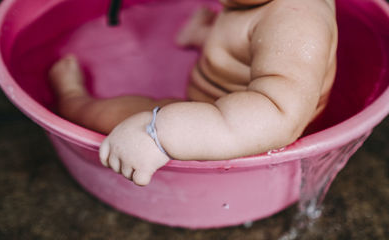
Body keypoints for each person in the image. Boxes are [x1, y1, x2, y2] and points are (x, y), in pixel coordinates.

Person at [49, 0, 338, 186]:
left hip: (242, 130)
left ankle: (73, 100)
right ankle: (202, 36)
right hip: (232, 92)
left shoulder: (297, 24)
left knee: (119, 118)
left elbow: (278, 114)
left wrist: (160, 133)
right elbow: (252, 36)